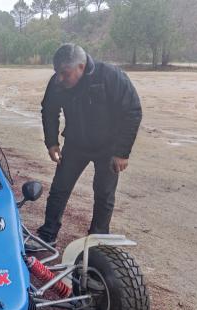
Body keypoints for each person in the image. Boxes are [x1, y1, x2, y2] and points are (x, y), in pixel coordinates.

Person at [35, 43, 142, 248]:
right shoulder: (58, 82)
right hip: (75, 144)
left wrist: (122, 152)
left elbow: (133, 111)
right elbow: (49, 110)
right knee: (59, 189)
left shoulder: (110, 76)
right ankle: (48, 233)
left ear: (81, 67)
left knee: (104, 193)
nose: (59, 79)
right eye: (57, 73)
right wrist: (52, 142)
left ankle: (97, 240)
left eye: (64, 74)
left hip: (108, 148)